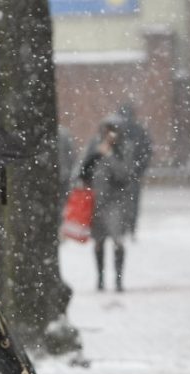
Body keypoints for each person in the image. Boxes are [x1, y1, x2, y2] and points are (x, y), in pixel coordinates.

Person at [77, 114, 134, 292]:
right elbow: (83, 170)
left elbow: (124, 175)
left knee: (117, 241)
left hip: (116, 202)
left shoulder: (125, 149)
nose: (110, 135)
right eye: (107, 130)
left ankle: (118, 279)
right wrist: (95, 156)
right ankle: (100, 278)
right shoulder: (94, 146)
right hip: (96, 200)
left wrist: (109, 156)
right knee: (99, 241)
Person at [116, 102, 153, 238]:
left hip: (120, 175)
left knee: (119, 202)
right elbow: (147, 151)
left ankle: (122, 228)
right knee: (132, 202)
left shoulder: (117, 131)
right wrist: (139, 169)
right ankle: (131, 227)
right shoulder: (139, 130)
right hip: (133, 174)